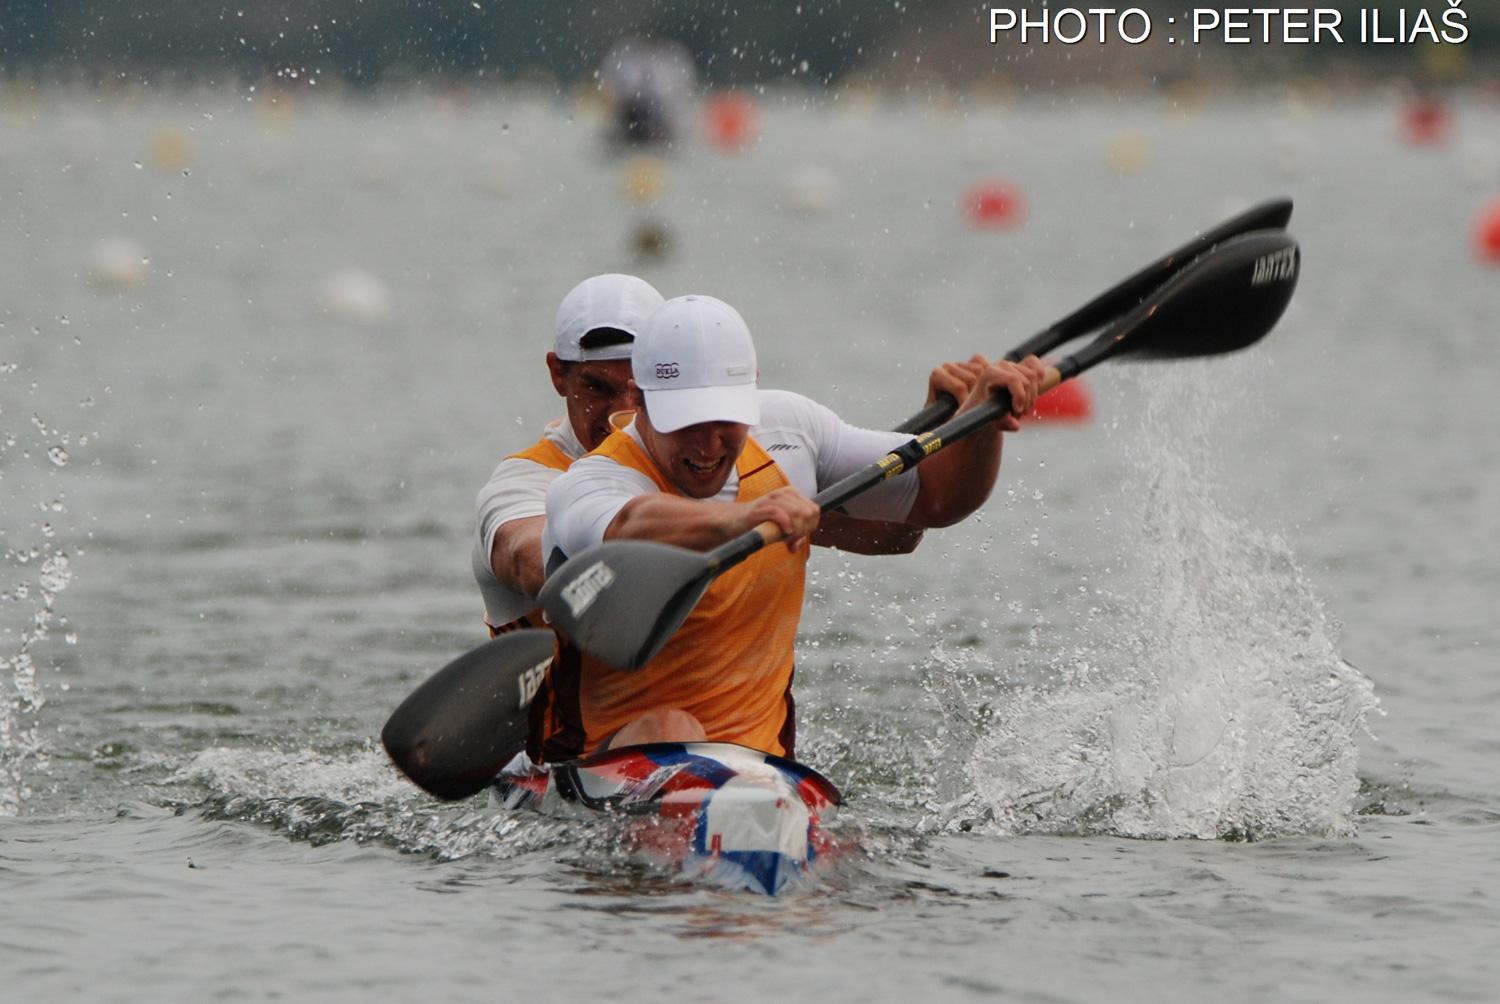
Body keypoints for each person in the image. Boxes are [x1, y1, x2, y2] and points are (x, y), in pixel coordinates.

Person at [533, 294, 1046, 763]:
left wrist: (982, 420)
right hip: (613, 766)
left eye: (725, 420)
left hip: (764, 774)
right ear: (638, 398)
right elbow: (631, 525)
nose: (708, 446)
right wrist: (747, 515)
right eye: (685, 421)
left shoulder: (790, 431)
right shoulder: (589, 484)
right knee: (673, 725)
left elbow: (933, 500)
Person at [472, 273, 664, 636]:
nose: (620, 416)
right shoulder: (522, 484)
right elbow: (527, 560)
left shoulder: (710, 456)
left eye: (639, 390)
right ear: (558, 374)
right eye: (597, 387)